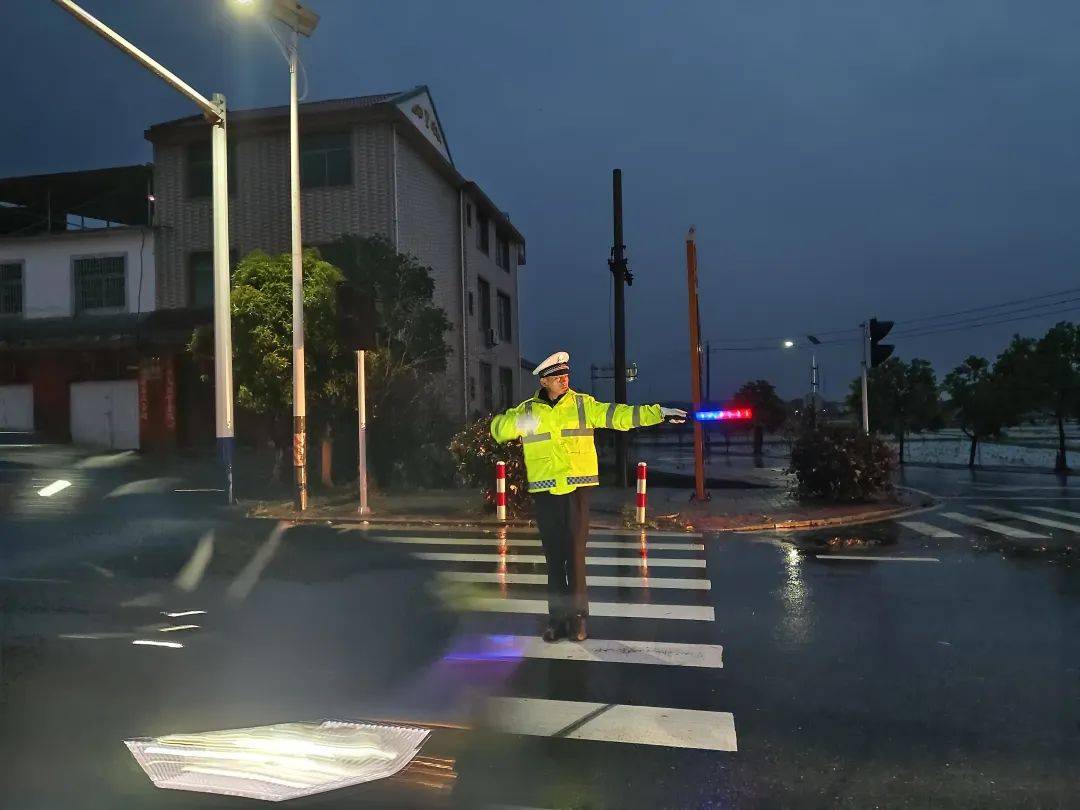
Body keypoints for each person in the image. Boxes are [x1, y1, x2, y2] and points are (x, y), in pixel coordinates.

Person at [490, 351, 687, 642]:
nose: (564, 379)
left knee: (575, 557)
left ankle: (579, 620)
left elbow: (620, 416)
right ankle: (557, 620)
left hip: (577, 491)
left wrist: (658, 413)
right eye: (558, 376)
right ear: (544, 381)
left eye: (566, 374)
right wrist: (515, 425)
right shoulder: (528, 410)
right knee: (554, 560)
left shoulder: (583, 405)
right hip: (545, 491)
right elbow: (498, 430)